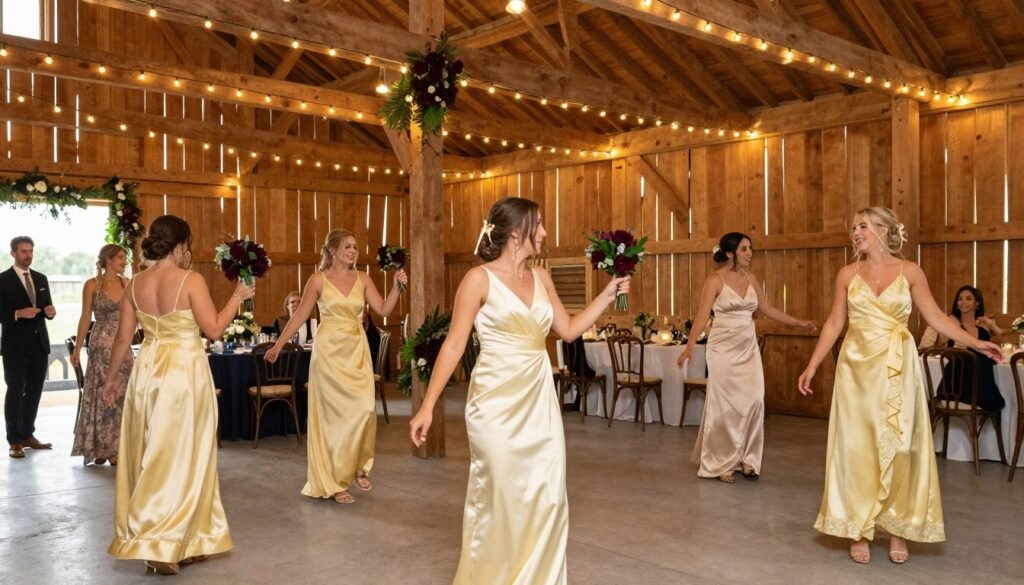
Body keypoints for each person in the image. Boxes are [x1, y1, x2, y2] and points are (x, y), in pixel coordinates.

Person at [409, 197, 630, 584]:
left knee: (547, 498)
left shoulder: (543, 277)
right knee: (501, 498)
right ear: (516, 233)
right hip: (494, 405)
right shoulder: (478, 280)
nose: (544, 232)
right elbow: (454, 345)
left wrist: (607, 295)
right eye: (538, 225)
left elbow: (568, 330)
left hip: (540, 405)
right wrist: (427, 406)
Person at [797, 207, 1002, 565]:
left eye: (862, 225)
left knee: (902, 445)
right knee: (858, 448)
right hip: (856, 370)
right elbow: (834, 323)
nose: (855, 232)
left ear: (883, 229)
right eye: (853, 226)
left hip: (897, 367)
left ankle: (898, 528)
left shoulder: (910, 272)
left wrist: (978, 343)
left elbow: (938, 318)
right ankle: (858, 528)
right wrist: (812, 366)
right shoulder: (847, 274)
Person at [101, 215, 254, 575]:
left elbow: (124, 339)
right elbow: (214, 329)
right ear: (181, 245)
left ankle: (186, 539)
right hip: (183, 372)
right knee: (185, 455)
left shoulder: (135, 283)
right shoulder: (190, 279)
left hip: (147, 370)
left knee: (151, 453)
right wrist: (238, 297)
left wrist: (110, 380)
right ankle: (163, 543)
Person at [266, 229, 406, 504]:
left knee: (364, 410)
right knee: (333, 420)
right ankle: (335, 481)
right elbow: (299, 317)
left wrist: (397, 288)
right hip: (329, 354)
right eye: (347, 246)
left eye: (355, 247)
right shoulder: (317, 281)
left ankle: (357, 466)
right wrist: (279, 344)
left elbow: (384, 309)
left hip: (356, 351)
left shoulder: (363, 278)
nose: (353, 251)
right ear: (332, 250)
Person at [676, 232, 817, 483]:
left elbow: (767, 309)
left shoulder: (751, 278)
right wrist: (689, 347)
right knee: (725, 405)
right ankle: (721, 462)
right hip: (722, 349)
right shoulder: (714, 280)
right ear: (730, 253)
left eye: (750, 248)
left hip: (747, 347)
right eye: (744, 249)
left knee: (754, 401)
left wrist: (797, 322)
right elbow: (701, 316)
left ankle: (748, 459)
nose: (749, 253)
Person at [70, 244, 133, 466]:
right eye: (120, 258)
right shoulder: (92, 285)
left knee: (121, 392)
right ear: (107, 260)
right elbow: (85, 316)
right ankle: (99, 446)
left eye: (125, 258)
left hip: (123, 344)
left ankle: (116, 446)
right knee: (101, 391)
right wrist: (78, 348)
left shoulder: (127, 283)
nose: (124, 262)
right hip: (100, 344)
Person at [1, 236, 56, 459]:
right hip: (14, 347)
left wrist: (50, 312)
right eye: (24, 251)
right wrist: (17, 313)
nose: (28, 255)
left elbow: (46, 308)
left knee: (34, 392)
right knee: (15, 392)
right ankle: (14, 440)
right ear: (13, 253)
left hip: (39, 345)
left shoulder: (41, 278)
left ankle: (27, 435)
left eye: (31, 251)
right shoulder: (2, 280)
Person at [931, 285, 1005, 411]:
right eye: (960, 299)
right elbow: (940, 343)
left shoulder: (983, 326)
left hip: (982, 378)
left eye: (968, 299)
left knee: (985, 360)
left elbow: (1003, 339)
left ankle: (986, 398)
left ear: (977, 303)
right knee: (972, 359)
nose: (963, 302)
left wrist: (992, 325)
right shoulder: (953, 321)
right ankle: (980, 398)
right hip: (958, 380)